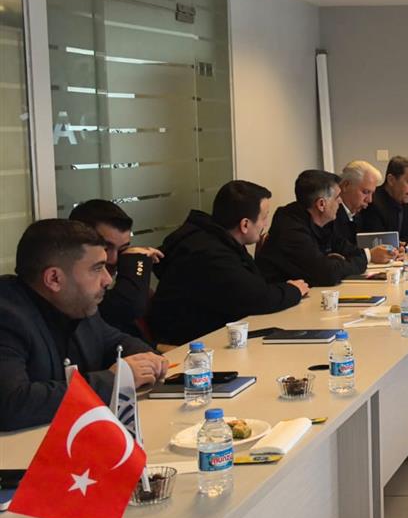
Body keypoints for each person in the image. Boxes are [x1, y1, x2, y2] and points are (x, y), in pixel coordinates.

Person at [0, 219, 166, 431]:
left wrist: (147, 359)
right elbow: (12, 404)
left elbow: (115, 342)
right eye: (97, 269)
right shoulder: (7, 316)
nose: (107, 280)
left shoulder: (76, 305)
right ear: (54, 278)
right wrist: (114, 381)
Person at [148, 180, 309, 346]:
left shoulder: (215, 240)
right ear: (245, 224)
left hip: (210, 335)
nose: (265, 224)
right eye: (264, 217)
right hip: (188, 346)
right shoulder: (209, 252)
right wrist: (293, 291)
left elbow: (253, 286)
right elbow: (256, 298)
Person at [67, 198, 161, 339]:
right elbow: (127, 307)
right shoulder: (72, 291)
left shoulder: (118, 286)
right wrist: (137, 261)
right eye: (106, 248)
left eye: (123, 249)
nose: (114, 259)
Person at [256, 170, 368, 287]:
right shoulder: (290, 228)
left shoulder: (325, 222)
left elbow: (358, 254)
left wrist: (335, 264)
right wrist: (337, 263)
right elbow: (327, 274)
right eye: (337, 197)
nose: (340, 201)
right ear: (321, 204)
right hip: (283, 295)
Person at [331, 160, 397, 264]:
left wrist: (391, 250)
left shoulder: (358, 214)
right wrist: (369, 255)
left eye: (372, 194)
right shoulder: (330, 215)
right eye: (365, 192)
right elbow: (341, 250)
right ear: (345, 186)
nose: (369, 200)